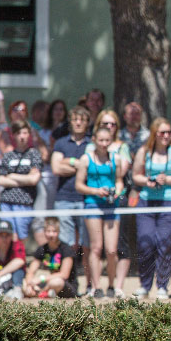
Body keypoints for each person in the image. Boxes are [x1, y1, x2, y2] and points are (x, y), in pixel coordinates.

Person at [133, 117, 171, 300]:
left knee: (165, 243)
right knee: (145, 242)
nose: (166, 136)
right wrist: (148, 182)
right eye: (162, 132)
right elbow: (136, 176)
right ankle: (144, 285)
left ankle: (162, 285)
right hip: (147, 202)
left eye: (169, 132)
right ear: (154, 134)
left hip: (169, 202)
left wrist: (168, 180)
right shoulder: (144, 152)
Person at [75, 124, 125, 298]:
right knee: (96, 248)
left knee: (111, 250)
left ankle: (112, 285)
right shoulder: (86, 159)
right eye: (101, 140)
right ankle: (96, 287)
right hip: (93, 205)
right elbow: (79, 185)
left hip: (111, 205)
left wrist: (117, 191)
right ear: (94, 140)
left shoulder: (116, 159)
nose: (104, 144)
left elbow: (119, 180)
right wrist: (97, 191)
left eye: (107, 140)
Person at [50, 106, 93, 291]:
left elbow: (92, 169)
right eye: (75, 119)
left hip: (86, 200)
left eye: (82, 120)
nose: (78, 123)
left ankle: (91, 286)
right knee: (66, 245)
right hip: (64, 199)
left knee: (87, 245)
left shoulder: (92, 144)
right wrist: (78, 164)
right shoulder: (61, 143)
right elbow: (56, 168)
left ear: (87, 123)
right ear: (70, 121)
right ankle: (68, 284)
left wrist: (68, 163)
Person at [0, 120, 42, 241]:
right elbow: (1, 180)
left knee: (22, 237)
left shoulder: (34, 154)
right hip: (6, 202)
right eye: (19, 133)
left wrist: (11, 175)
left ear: (29, 135)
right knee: (9, 236)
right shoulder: (8, 155)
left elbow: (34, 180)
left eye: (25, 133)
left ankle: (22, 259)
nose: (22, 136)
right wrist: (25, 178)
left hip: (25, 202)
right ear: (14, 135)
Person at [22, 217, 77, 299]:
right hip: (49, 283)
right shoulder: (42, 249)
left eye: (54, 231)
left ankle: (41, 293)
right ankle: (44, 293)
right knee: (24, 283)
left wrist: (41, 279)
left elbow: (64, 274)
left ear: (58, 232)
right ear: (44, 232)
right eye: (48, 231)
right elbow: (31, 271)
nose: (51, 234)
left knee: (56, 282)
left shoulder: (66, 249)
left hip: (66, 286)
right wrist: (30, 283)